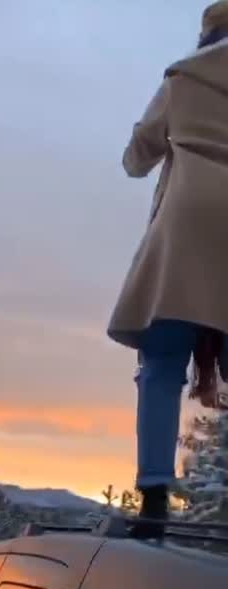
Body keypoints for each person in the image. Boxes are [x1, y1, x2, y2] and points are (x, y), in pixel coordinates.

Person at [108, 1, 228, 537]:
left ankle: (154, 500)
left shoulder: (183, 79)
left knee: (160, 362)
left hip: (185, 225)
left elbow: (137, 159)